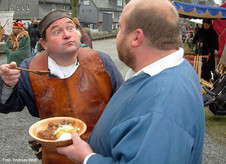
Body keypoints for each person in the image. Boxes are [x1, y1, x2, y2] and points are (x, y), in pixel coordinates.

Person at [57, 0, 205, 163]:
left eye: (120, 27)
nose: (117, 35)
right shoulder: (176, 67)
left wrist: (87, 158)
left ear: (136, 37)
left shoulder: (160, 110)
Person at [0, 10, 124, 164]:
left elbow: (124, 104)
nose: (67, 34)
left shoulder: (101, 61)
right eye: (57, 31)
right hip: (56, 156)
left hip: (101, 154)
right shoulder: (30, 69)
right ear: (44, 43)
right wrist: (7, 84)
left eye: (70, 28)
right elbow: (9, 105)